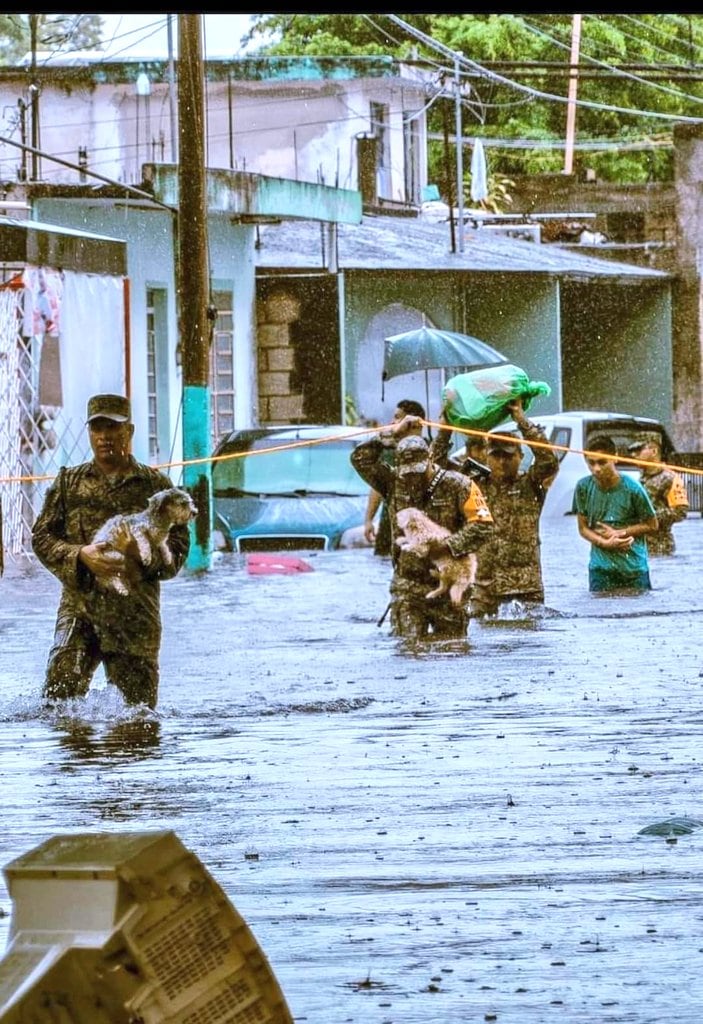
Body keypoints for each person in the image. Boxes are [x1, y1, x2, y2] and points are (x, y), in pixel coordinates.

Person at [31, 393, 191, 709]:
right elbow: (41, 538)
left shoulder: (155, 488)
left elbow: (176, 555)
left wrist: (137, 551)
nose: (104, 437)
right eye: (97, 429)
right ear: (90, 432)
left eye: (113, 428)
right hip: (80, 610)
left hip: (135, 618)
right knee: (58, 705)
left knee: (138, 718)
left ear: (129, 432)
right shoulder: (69, 483)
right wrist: (80, 555)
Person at [351, 417, 494, 640]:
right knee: (408, 649)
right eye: (408, 473)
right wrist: (390, 434)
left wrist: (445, 547)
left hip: (447, 583)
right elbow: (360, 459)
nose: (413, 480)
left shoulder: (459, 484)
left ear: (429, 459)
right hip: (407, 585)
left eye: (418, 472)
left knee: (452, 651)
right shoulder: (392, 481)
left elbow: (484, 525)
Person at [465, 399, 559, 617]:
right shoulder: (473, 487)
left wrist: (521, 420)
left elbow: (549, 460)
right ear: (486, 456)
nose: (501, 462)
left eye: (508, 456)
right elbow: (437, 469)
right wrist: (445, 426)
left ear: (521, 457)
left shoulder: (530, 484)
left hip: (526, 587)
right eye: (495, 456)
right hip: (484, 588)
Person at [573, 434, 658, 594]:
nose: (596, 469)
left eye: (602, 462)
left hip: (633, 568)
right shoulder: (583, 487)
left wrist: (620, 532)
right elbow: (583, 528)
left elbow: (652, 524)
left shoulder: (633, 488)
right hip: (600, 569)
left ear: (615, 458)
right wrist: (603, 543)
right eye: (591, 463)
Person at [364, 399, 426, 557]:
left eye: (398, 417)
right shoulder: (391, 452)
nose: (393, 422)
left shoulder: (430, 451)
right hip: (390, 526)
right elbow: (377, 486)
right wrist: (369, 519)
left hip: (422, 529)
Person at [627, 432, 689, 556]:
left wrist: (650, 516)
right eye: (633, 451)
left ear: (654, 451)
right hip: (639, 546)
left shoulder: (670, 478)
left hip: (660, 548)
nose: (634, 455)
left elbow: (680, 511)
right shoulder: (642, 479)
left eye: (639, 451)